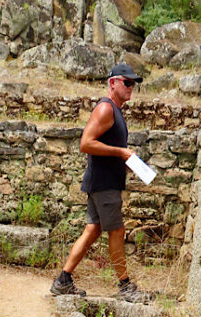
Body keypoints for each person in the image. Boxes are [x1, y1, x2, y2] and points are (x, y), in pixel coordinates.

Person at [50, 62, 149, 302]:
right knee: (116, 230)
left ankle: (63, 281)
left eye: (133, 84)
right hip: (104, 184)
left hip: (102, 181)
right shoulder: (105, 109)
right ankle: (125, 286)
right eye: (127, 82)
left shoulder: (115, 110)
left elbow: (103, 147)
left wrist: (125, 158)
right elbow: (85, 143)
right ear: (112, 83)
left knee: (93, 230)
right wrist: (121, 153)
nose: (131, 87)